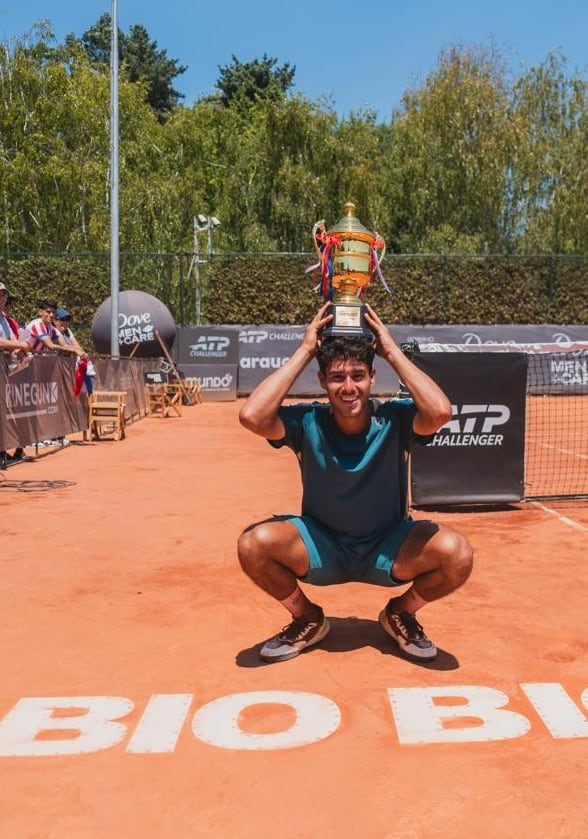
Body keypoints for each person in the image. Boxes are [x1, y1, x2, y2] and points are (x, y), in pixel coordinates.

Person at [237, 302, 473, 664]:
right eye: (337, 377)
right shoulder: (307, 421)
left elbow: (440, 411)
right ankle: (307, 618)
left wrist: (391, 349)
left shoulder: (396, 419)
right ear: (322, 381)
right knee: (253, 545)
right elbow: (252, 416)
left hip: (388, 547)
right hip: (322, 546)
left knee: (457, 554)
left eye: (358, 375)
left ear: (372, 377)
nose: (348, 387)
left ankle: (401, 613)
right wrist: (305, 351)